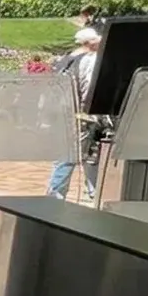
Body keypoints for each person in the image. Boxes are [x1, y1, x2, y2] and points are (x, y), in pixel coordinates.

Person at [47, 28, 102, 200]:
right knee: (76, 155)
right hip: (82, 113)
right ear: (91, 43)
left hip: (64, 111)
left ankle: (90, 191)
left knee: (86, 153)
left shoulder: (67, 58)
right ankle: (58, 194)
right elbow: (89, 88)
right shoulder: (89, 60)